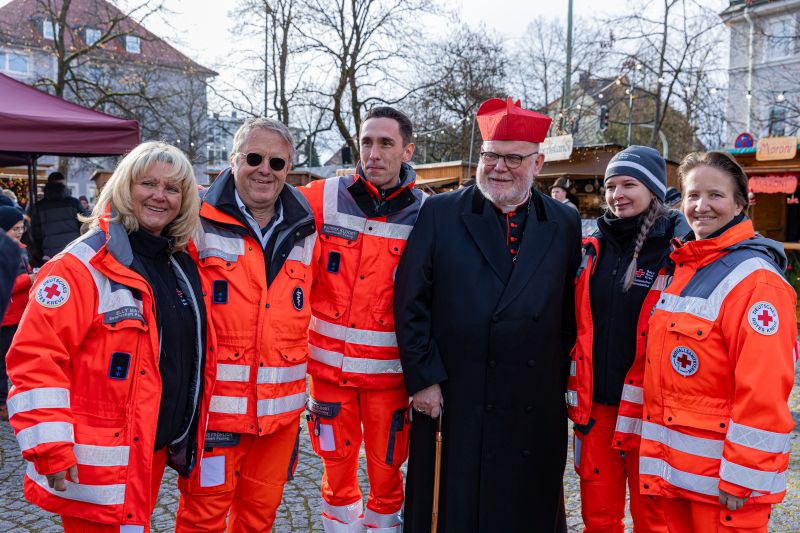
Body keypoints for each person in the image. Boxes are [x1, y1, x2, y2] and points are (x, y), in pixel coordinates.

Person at [5, 142, 214, 532]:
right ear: (123, 187)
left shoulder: (176, 261)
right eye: (148, 183)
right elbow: (34, 358)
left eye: (172, 188)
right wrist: (50, 444)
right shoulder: (79, 267)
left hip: (147, 449)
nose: (159, 195)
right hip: (97, 460)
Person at [395, 97, 581, 532]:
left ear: (537, 164)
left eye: (512, 158)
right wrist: (422, 378)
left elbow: (570, 310)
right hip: (456, 393)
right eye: (490, 156)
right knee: (454, 505)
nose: (498, 167)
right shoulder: (440, 212)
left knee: (523, 506)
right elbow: (410, 300)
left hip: (532, 398)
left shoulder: (564, 220)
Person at [640, 151, 796, 533]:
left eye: (716, 196)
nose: (701, 207)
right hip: (675, 476)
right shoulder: (685, 267)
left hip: (724, 489)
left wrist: (744, 475)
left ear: (741, 204)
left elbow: (764, 388)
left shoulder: (756, 281)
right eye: (693, 195)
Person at [176, 117, 319, 532]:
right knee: (201, 520)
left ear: (288, 168)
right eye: (254, 158)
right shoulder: (193, 218)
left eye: (277, 163)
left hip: (279, 416)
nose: (264, 170)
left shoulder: (306, 229)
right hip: (215, 412)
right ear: (233, 160)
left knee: (259, 518)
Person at [300, 106, 424, 532]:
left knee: (389, 476)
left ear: (407, 150)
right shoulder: (323, 197)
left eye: (385, 143)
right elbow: (255, 197)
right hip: (329, 372)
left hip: (390, 378)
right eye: (367, 141)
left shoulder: (428, 214)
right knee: (336, 475)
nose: (373, 152)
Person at [567, 146, 689, 533]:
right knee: (598, 518)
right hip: (596, 410)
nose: (617, 194)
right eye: (610, 186)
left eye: (628, 184)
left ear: (654, 189)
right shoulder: (590, 247)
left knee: (654, 520)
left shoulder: (679, 251)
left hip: (652, 415)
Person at [0, 205, 32, 421]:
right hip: (7, 314)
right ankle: (2, 402)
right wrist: (29, 279)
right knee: (3, 361)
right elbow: (7, 285)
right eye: (14, 228)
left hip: (19, 312)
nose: (19, 232)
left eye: (21, 227)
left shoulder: (21, 247)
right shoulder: (5, 251)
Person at [28, 171, 83, 266]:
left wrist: (41, 254)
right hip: (74, 251)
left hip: (49, 255)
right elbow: (86, 226)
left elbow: (35, 235)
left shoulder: (39, 207)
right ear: (64, 185)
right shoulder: (74, 203)